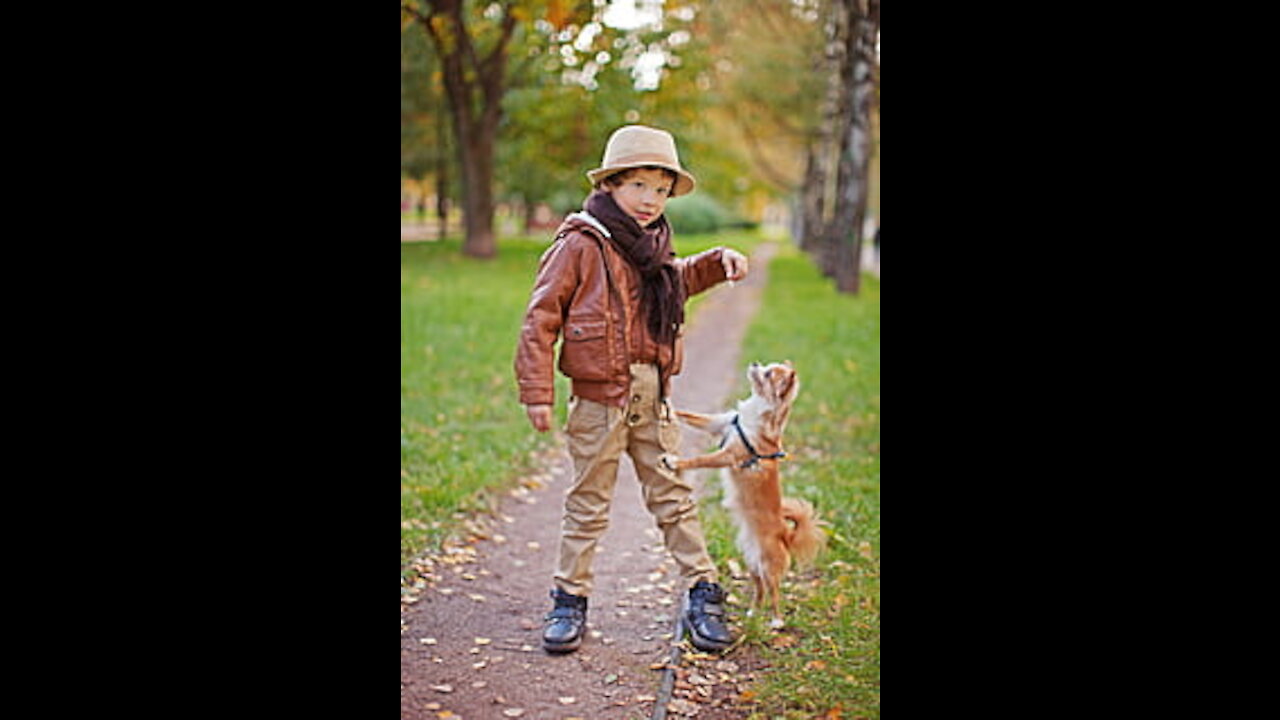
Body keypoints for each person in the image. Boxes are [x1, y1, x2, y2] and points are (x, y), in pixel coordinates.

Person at [514, 125, 749, 654]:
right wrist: (536, 390)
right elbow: (540, 319)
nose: (651, 200)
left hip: (653, 393)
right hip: (600, 399)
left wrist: (714, 263)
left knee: (673, 494)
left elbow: (673, 282)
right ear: (612, 185)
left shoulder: (653, 243)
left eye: (662, 190)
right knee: (588, 502)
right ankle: (569, 598)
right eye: (639, 185)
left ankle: (702, 592)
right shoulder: (580, 242)